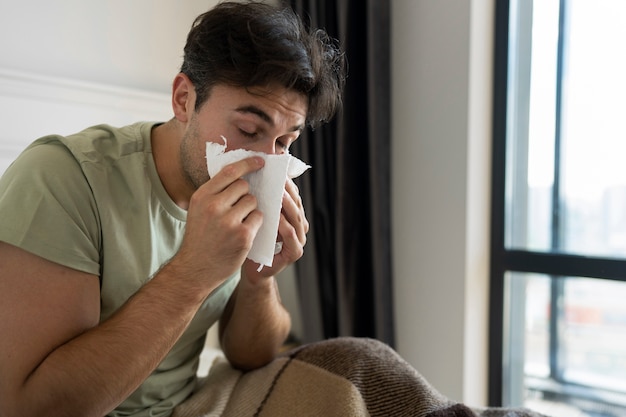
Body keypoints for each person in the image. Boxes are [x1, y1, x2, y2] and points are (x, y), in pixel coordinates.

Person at [0, 2, 549, 417]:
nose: (267, 160)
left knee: (361, 363)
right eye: (248, 129)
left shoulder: (244, 190)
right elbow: (39, 406)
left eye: (285, 141)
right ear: (184, 99)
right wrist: (195, 271)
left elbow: (249, 355)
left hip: (195, 402)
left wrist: (260, 280)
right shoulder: (65, 178)